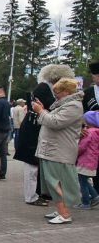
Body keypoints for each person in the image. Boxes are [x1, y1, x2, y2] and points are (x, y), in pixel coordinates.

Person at [14, 64, 74, 206]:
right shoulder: (44, 88)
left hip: (33, 130)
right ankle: (31, 196)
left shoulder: (43, 87)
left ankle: (38, 193)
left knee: (35, 165)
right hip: (32, 133)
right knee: (32, 166)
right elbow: (53, 106)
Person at [32, 78, 83, 224]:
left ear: (67, 91)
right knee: (53, 182)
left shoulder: (73, 106)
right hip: (54, 150)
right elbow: (52, 118)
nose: (55, 95)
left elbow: (55, 122)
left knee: (56, 183)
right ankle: (61, 209)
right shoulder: (66, 104)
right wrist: (45, 110)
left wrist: (41, 111)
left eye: (57, 92)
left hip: (59, 151)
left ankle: (65, 214)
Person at [74, 111, 99, 209]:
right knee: (84, 180)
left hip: (85, 161)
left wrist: (75, 152)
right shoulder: (96, 132)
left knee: (82, 182)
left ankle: (86, 203)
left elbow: (82, 147)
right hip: (92, 161)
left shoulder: (89, 132)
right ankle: (95, 197)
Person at [82, 60, 99, 193]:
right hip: (92, 136)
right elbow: (81, 112)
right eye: (95, 75)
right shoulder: (88, 93)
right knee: (94, 166)